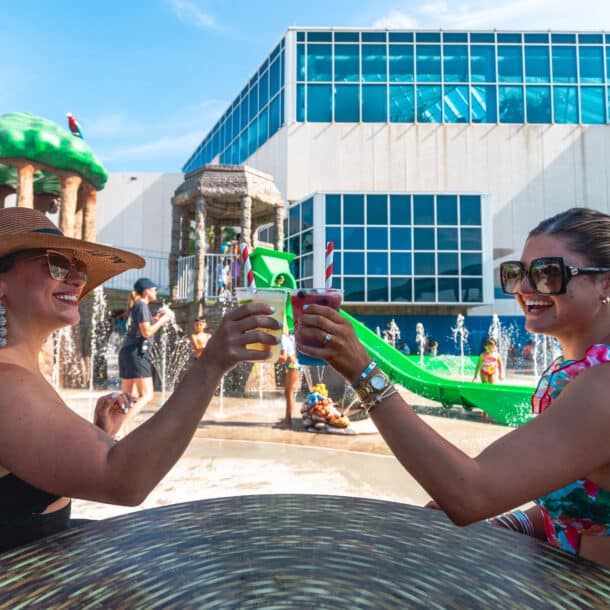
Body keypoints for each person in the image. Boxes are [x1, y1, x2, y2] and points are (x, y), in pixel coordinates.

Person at [294, 207, 610, 568]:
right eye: (517, 273)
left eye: (547, 273)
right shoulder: (571, 371)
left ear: (605, 282)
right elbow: (582, 507)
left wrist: (364, 374)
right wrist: (507, 524)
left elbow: (470, 494)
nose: (523, 288)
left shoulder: (603, 387)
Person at [0, 207, 281, 553]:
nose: (76, 279)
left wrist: (99, 435)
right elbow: (125, 482)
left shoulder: (19, 372)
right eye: (57, 264)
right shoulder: (7, 383)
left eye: (80, 267)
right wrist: (210, 364)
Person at [117, 278, 170, 436]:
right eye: (154, 289)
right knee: (146, 395)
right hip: (137, 354)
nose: (156, 292)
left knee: (128, 397)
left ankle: (120, 429)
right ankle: (119, 428)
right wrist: (162, 321)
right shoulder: (141, 305)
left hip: (128, 352)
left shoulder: (139, 306)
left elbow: (141, 328)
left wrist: (154, 319)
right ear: (146, 291)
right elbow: (146, 333)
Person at [276, 330, 301, 428]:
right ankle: (287, 419)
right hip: (292, 366)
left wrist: (270, 356)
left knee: (289, 394)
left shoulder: (281, 339)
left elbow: (284, 357)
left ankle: (288, 421)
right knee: (288, 393)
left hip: (293, 366)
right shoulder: (283, 338)